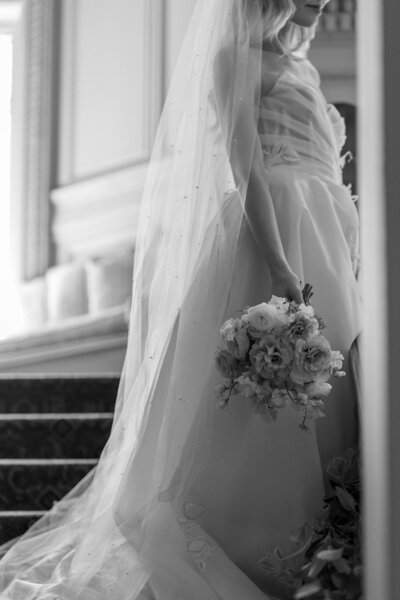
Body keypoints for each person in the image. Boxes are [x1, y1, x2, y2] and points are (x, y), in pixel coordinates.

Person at [0, 1, 361, 598]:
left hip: (324, 231)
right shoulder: (233, 56)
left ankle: (321, 554)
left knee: (326, 394)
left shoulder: (302, 64)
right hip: (278, 232)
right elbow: (246, 167)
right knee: (261, 405)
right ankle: (253, 544)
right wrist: (279, 264)